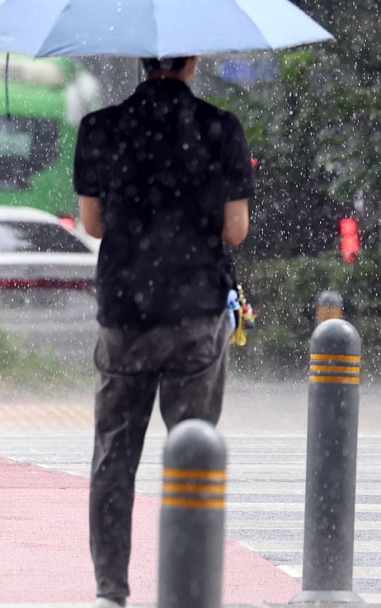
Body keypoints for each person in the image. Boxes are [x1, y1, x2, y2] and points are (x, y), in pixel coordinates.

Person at [75, 55, 254, 608]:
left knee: (114, 455)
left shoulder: (100, 127)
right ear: (192, 61)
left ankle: (111, 591)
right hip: (195, 314)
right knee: (192, 453)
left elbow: (94, 224)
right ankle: (190, 588)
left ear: (141, 62)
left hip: (125, 315)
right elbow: (235, 230)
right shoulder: (220, 128)